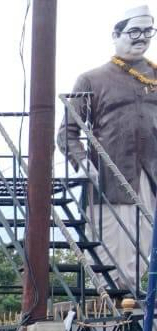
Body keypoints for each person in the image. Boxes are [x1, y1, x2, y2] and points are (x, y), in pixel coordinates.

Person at [58, 5, 157, 291]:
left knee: (144, 240)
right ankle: (112, 301)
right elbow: (67, 133)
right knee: (110, 243)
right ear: (116, 35)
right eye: (134, 32)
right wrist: (82, 162)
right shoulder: (92, 79)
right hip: (108, 178)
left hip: (149, 177)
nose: (141, 38)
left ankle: (132, 300)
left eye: (147, 32)